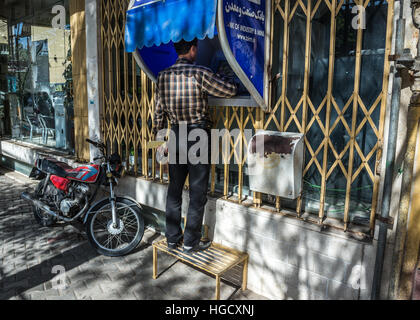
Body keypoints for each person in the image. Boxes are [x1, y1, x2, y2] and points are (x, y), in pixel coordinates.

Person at [153, 38, 237, 253]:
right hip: (197, 133)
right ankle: (190, 242)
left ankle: (172, 239)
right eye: (196, 48)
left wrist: (160, 142)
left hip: (174, 134)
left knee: (175, 189)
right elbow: (228, 90)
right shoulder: (199, 72)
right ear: (192, 49)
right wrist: (231, 77)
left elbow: (157, 115)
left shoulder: (162, 77)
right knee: (197, 192)